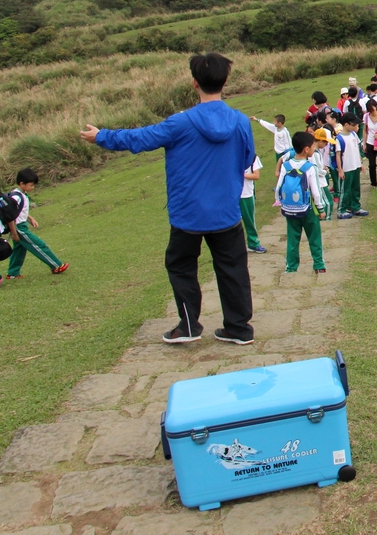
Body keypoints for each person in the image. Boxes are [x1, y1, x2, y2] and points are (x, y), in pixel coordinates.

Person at [81, 53, 257, 344]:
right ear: (225, 81)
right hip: (226, 210)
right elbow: (247, 158)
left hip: (188, 213)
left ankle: (188, 326)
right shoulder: (240, 121)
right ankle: (239, 328)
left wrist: (102, 136)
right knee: (233, 269)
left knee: (181, 266)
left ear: (193, 83)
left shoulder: (180, 123)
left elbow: (139, 138)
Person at [276, 132, 328, 274]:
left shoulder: (286, 166)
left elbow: (279, 186)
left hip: (290, 208)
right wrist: (321, 208)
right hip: (308, 209)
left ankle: (291, 267)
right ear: (306, 149)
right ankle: (318, 265)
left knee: (292, 239)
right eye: (313, 146)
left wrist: (282, 203)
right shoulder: (310, 167)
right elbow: (316, 192)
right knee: (314, 237)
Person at [3, 168, 70, 278]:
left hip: (21, 225)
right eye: (31, 185)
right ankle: (56, 266)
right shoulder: (16, 197)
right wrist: (14, 232)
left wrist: (30, 218)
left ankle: (13, 273)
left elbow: (19, 211)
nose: (32, 187)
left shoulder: (21, 194)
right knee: (39, 245)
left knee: (19, 250)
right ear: (22, 183)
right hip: (19, 227)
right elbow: (10, 215)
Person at [336, 114, 369, 219]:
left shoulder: (354, 135)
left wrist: (360, 163)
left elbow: (357, 150)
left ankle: (355, 206)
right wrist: (340, 170)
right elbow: (338, 155)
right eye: (354, 125)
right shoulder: (339, 138)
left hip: (355, 166)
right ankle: (342, 209)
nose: (357, 127)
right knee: (345, 190)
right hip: (346, 168)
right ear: (346, 125)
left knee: (356, 188)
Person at [240, 156, 266, 254]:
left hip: (247, 194)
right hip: (233, 194)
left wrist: (242, 174)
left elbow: (256, 176)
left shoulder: (253, 158)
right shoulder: (231, 155)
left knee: (249, 220)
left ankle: (253, 243)